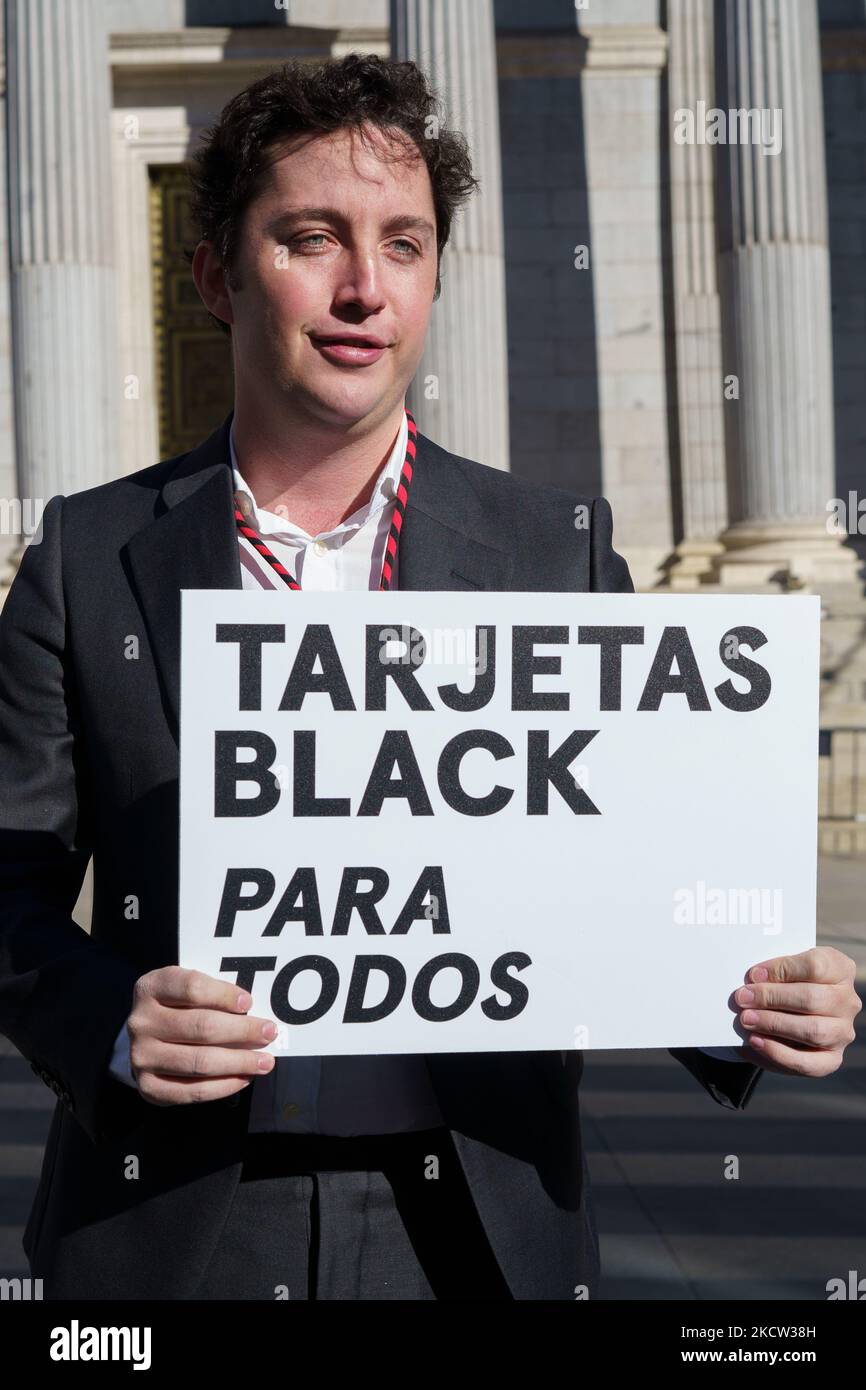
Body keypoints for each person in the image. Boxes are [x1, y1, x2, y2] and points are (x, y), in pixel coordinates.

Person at [0, 54, 859, 1302]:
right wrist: (109, 1024)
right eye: (310, 238)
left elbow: (632, 879)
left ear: (434, 278)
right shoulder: (84, 559)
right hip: (178, 1228)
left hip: (472, 1229)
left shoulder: (550, 551)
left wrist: (760, 995)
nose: (362, 288)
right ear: (214, 279)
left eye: (402, 245)